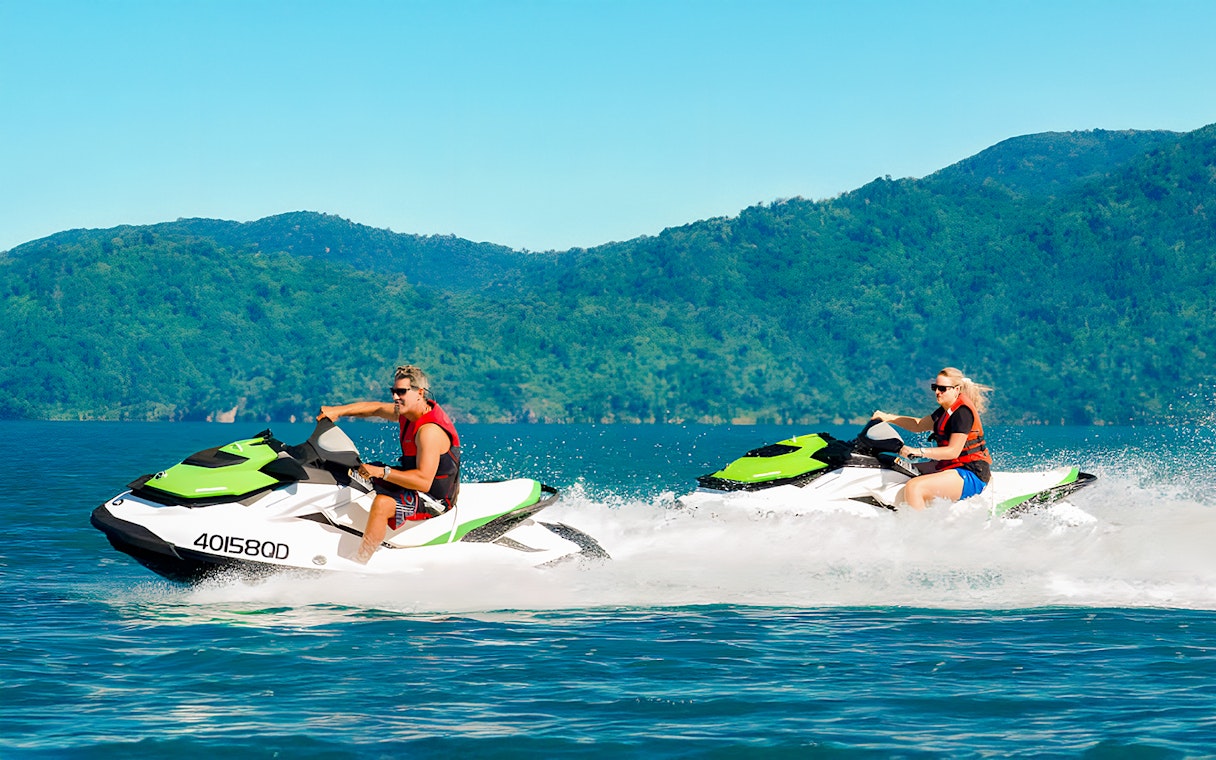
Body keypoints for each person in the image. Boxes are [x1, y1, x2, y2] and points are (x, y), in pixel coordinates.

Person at [317, 365, 461, 563]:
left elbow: (424, 482)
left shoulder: (429, 431)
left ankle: (360, 562)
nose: (395, 397)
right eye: (394, 391)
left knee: (382, 504)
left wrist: (382, 472)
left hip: (434, 498)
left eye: (401, 392)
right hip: (412, 481)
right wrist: (338, 411)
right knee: (355, 472)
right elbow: (375, 408)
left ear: (419, 393)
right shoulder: (409, 412)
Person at [871, 367, 993, 510]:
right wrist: (887, 417)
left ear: (956, 389)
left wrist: (919, 451)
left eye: (942, 388)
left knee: (915, 487)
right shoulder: (946, 410)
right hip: (951, 466)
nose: (937, 392)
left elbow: (953, 452)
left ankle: (922, 529)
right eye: (935, 387)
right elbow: (919, 425)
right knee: (899, 470)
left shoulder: (962, 413)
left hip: (972, 473)